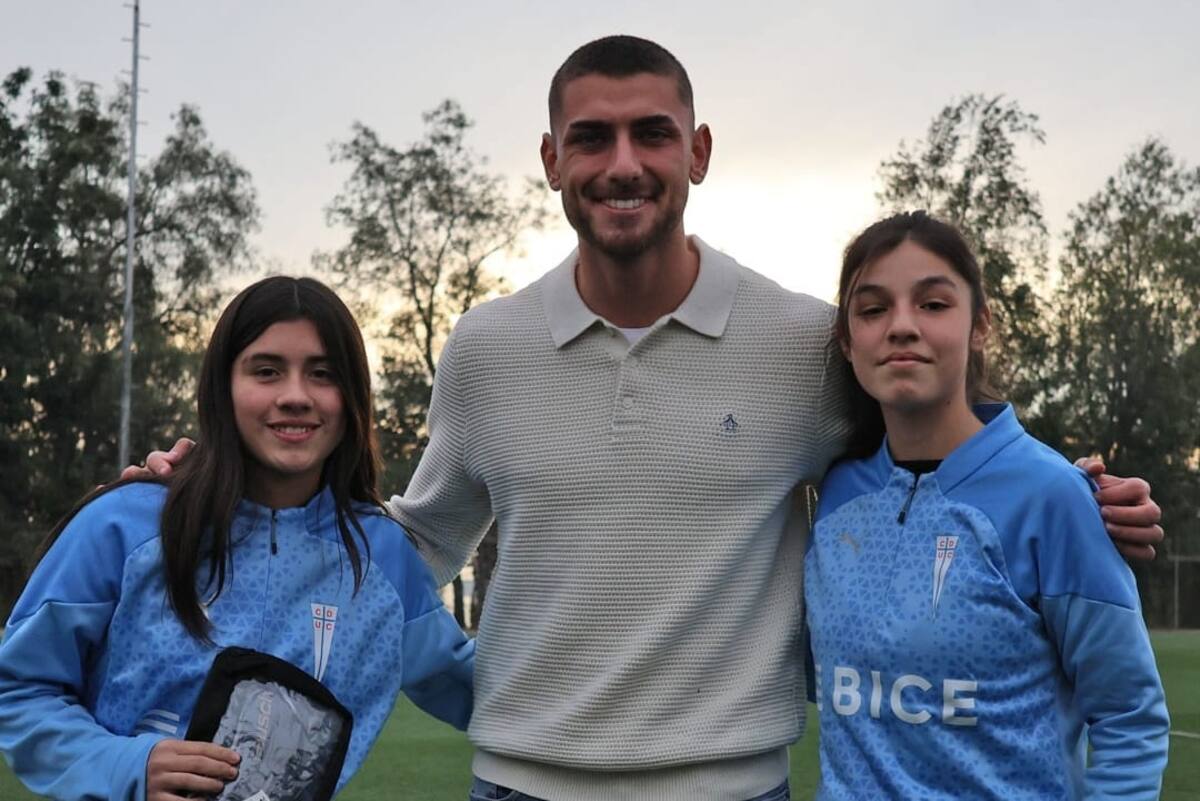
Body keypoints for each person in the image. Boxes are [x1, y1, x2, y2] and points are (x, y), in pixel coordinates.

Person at [131, 37, 1163, 801]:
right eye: (592, 138)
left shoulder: (803, 343)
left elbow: (928, 454)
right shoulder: (486, 348)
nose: (622, 163)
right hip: (520, 786)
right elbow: (414, 542)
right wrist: (233, 488)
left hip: (734, 788)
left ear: (699, 150)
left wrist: (1065, 493)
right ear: (551, 159)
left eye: (651, 134)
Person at [0, 276, 474, 801]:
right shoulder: (121, 525)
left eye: (323, 374)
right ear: (222, 386)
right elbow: (19, 688)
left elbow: (488, 691)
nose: (295, 396)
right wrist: (128, 766)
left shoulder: (381, 557)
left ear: (353, 396)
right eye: (266, 371)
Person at [805, 211, 1169, 799]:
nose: (901, 326)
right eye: (873, 309)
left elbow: (1129, 718)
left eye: (933, 304)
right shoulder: (836, 493)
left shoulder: (1053, 497)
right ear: (848, 342)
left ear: (980, 326)